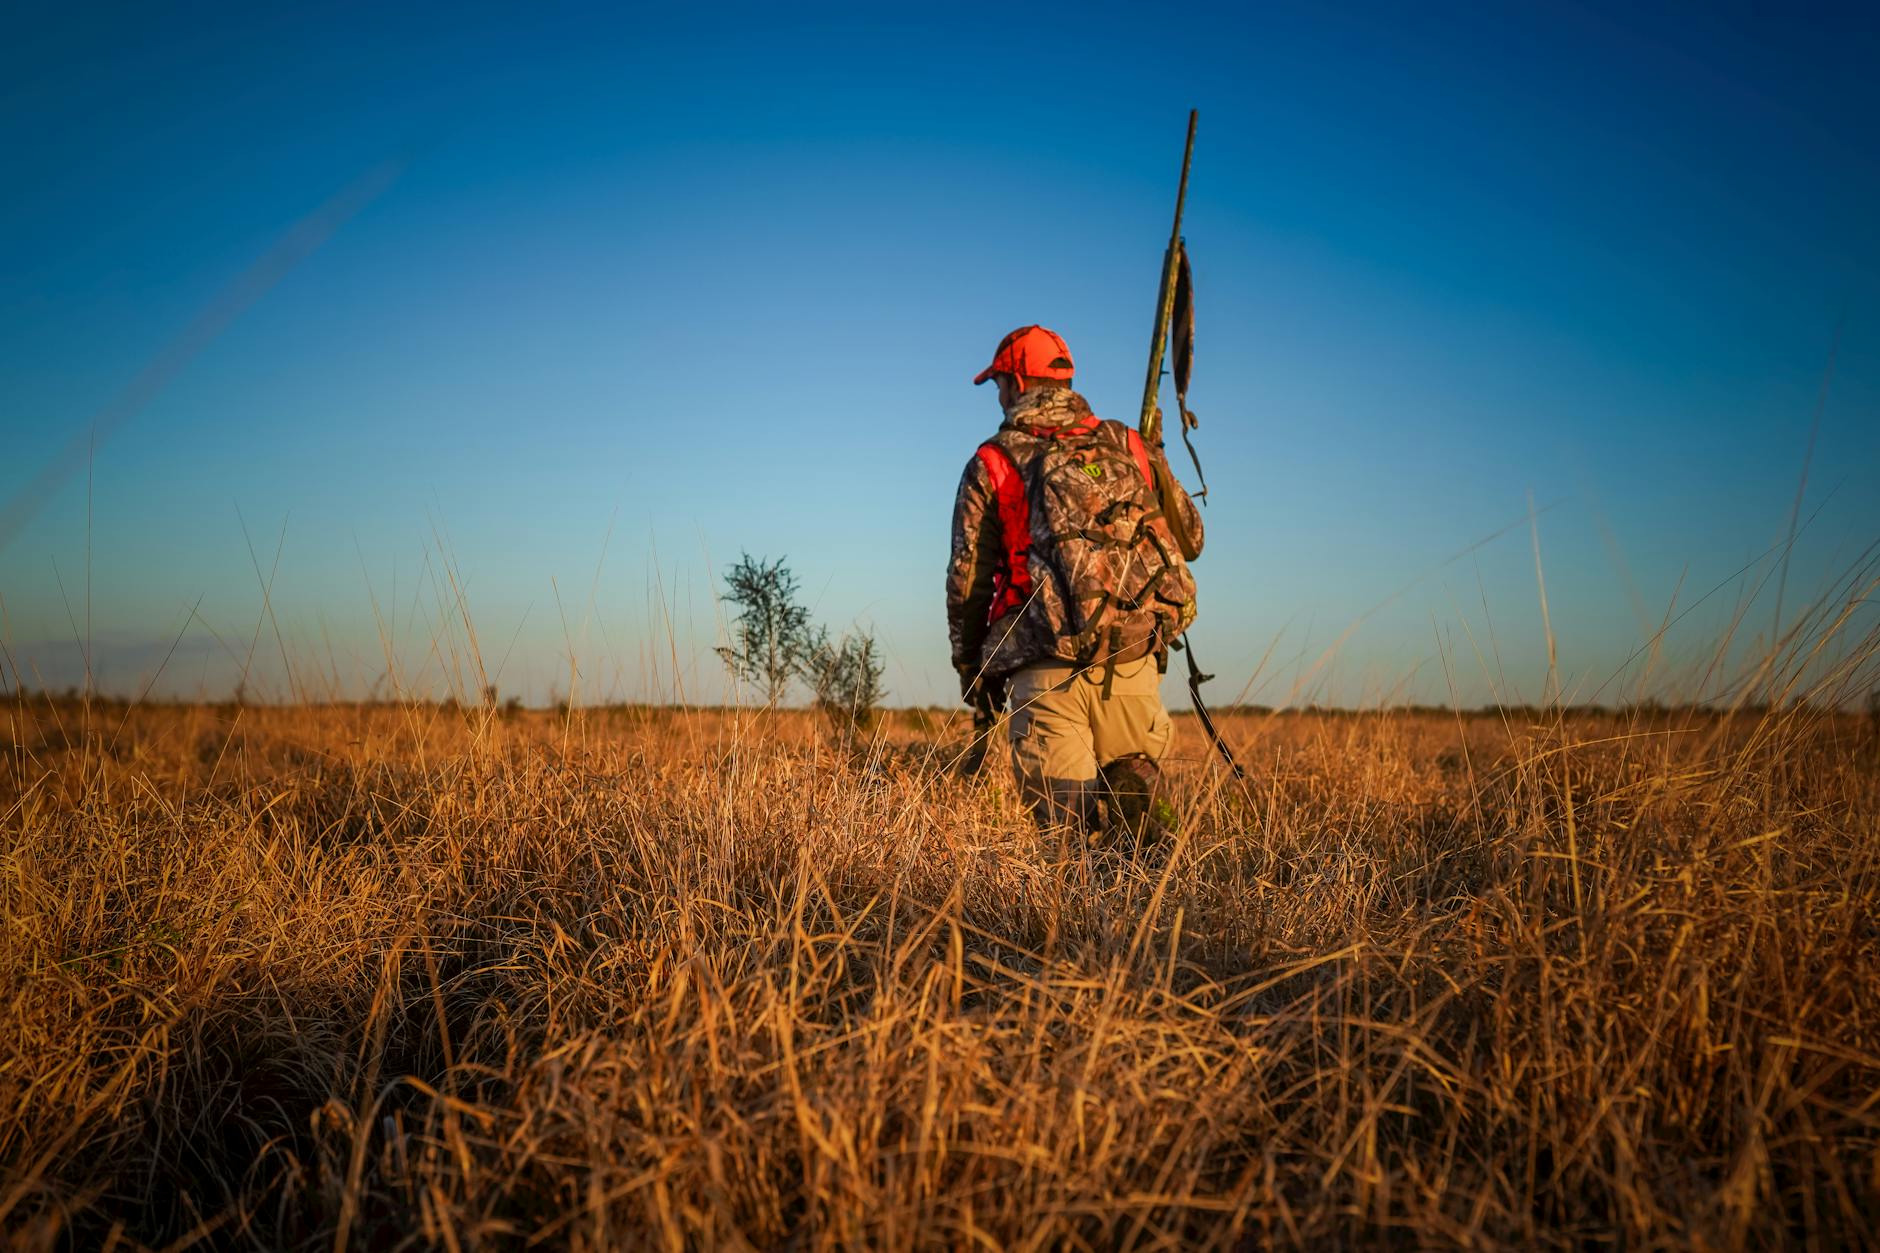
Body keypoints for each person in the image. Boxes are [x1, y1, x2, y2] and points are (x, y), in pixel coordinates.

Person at [946, 325, 1205, 834]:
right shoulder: (1125, 443)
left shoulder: (994, 461)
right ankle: (1161, 908)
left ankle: (1087, 898)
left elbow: (968, 581)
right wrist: (1153, 457)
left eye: (999, 383)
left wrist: (971, 671)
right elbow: (1191, 539)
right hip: (1130, 662)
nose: (998, 396)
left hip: (1043, 670)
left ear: (1018, 382)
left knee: (1068, 848)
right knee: (1143, 833)